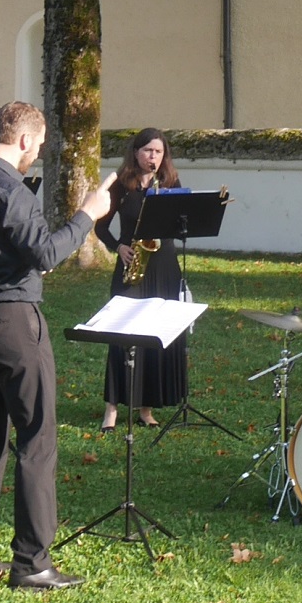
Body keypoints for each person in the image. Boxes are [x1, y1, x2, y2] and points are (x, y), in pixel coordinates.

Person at [0, 101, 113, 590]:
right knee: (37, 437)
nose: (36, 154)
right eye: (38, 146)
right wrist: (88, 214)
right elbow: (48, 252)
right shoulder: (11, 190)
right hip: (12, 321)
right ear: (23, 140)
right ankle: (33, 562)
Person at [97, 128, 188, 431]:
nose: (153, 157)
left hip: (164, 267)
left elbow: (181, 223)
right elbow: (100, 227)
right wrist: (118, 247)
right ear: (136, 153)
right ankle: (112, 408)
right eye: (148, 150)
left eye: (158, 152)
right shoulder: (121, 185)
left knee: (155, 333)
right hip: (132, 264)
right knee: (122, 333)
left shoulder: (171, 184)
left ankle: (146, 408)